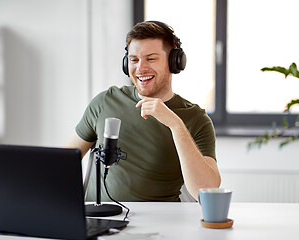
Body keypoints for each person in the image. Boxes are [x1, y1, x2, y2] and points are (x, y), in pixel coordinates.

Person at [65, 21, 220, 202]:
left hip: (159, 223)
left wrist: (175, 124)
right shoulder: (105, 102)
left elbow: (207, 190)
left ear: (174, 62)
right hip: (100, 219)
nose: (140, 68)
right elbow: (63, 164)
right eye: (134, 59)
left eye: (151, 58)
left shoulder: (195, 118)